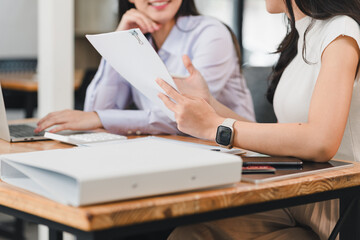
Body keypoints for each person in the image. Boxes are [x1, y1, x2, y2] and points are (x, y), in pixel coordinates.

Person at [157, 0, 360, 239]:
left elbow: (320, 141)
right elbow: (286, 135)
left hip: (340, 204)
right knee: (190, 233)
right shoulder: (302, 37)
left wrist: (217, 127)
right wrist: (209, 104)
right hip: (301, 197)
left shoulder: (341, 30)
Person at [34, 0, 255, 135]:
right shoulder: (141, 42)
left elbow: (184, 117)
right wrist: (119, 41)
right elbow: (99, 107)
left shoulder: (211, 33)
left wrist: (99, 117)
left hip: (236, 154)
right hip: (173, 150)